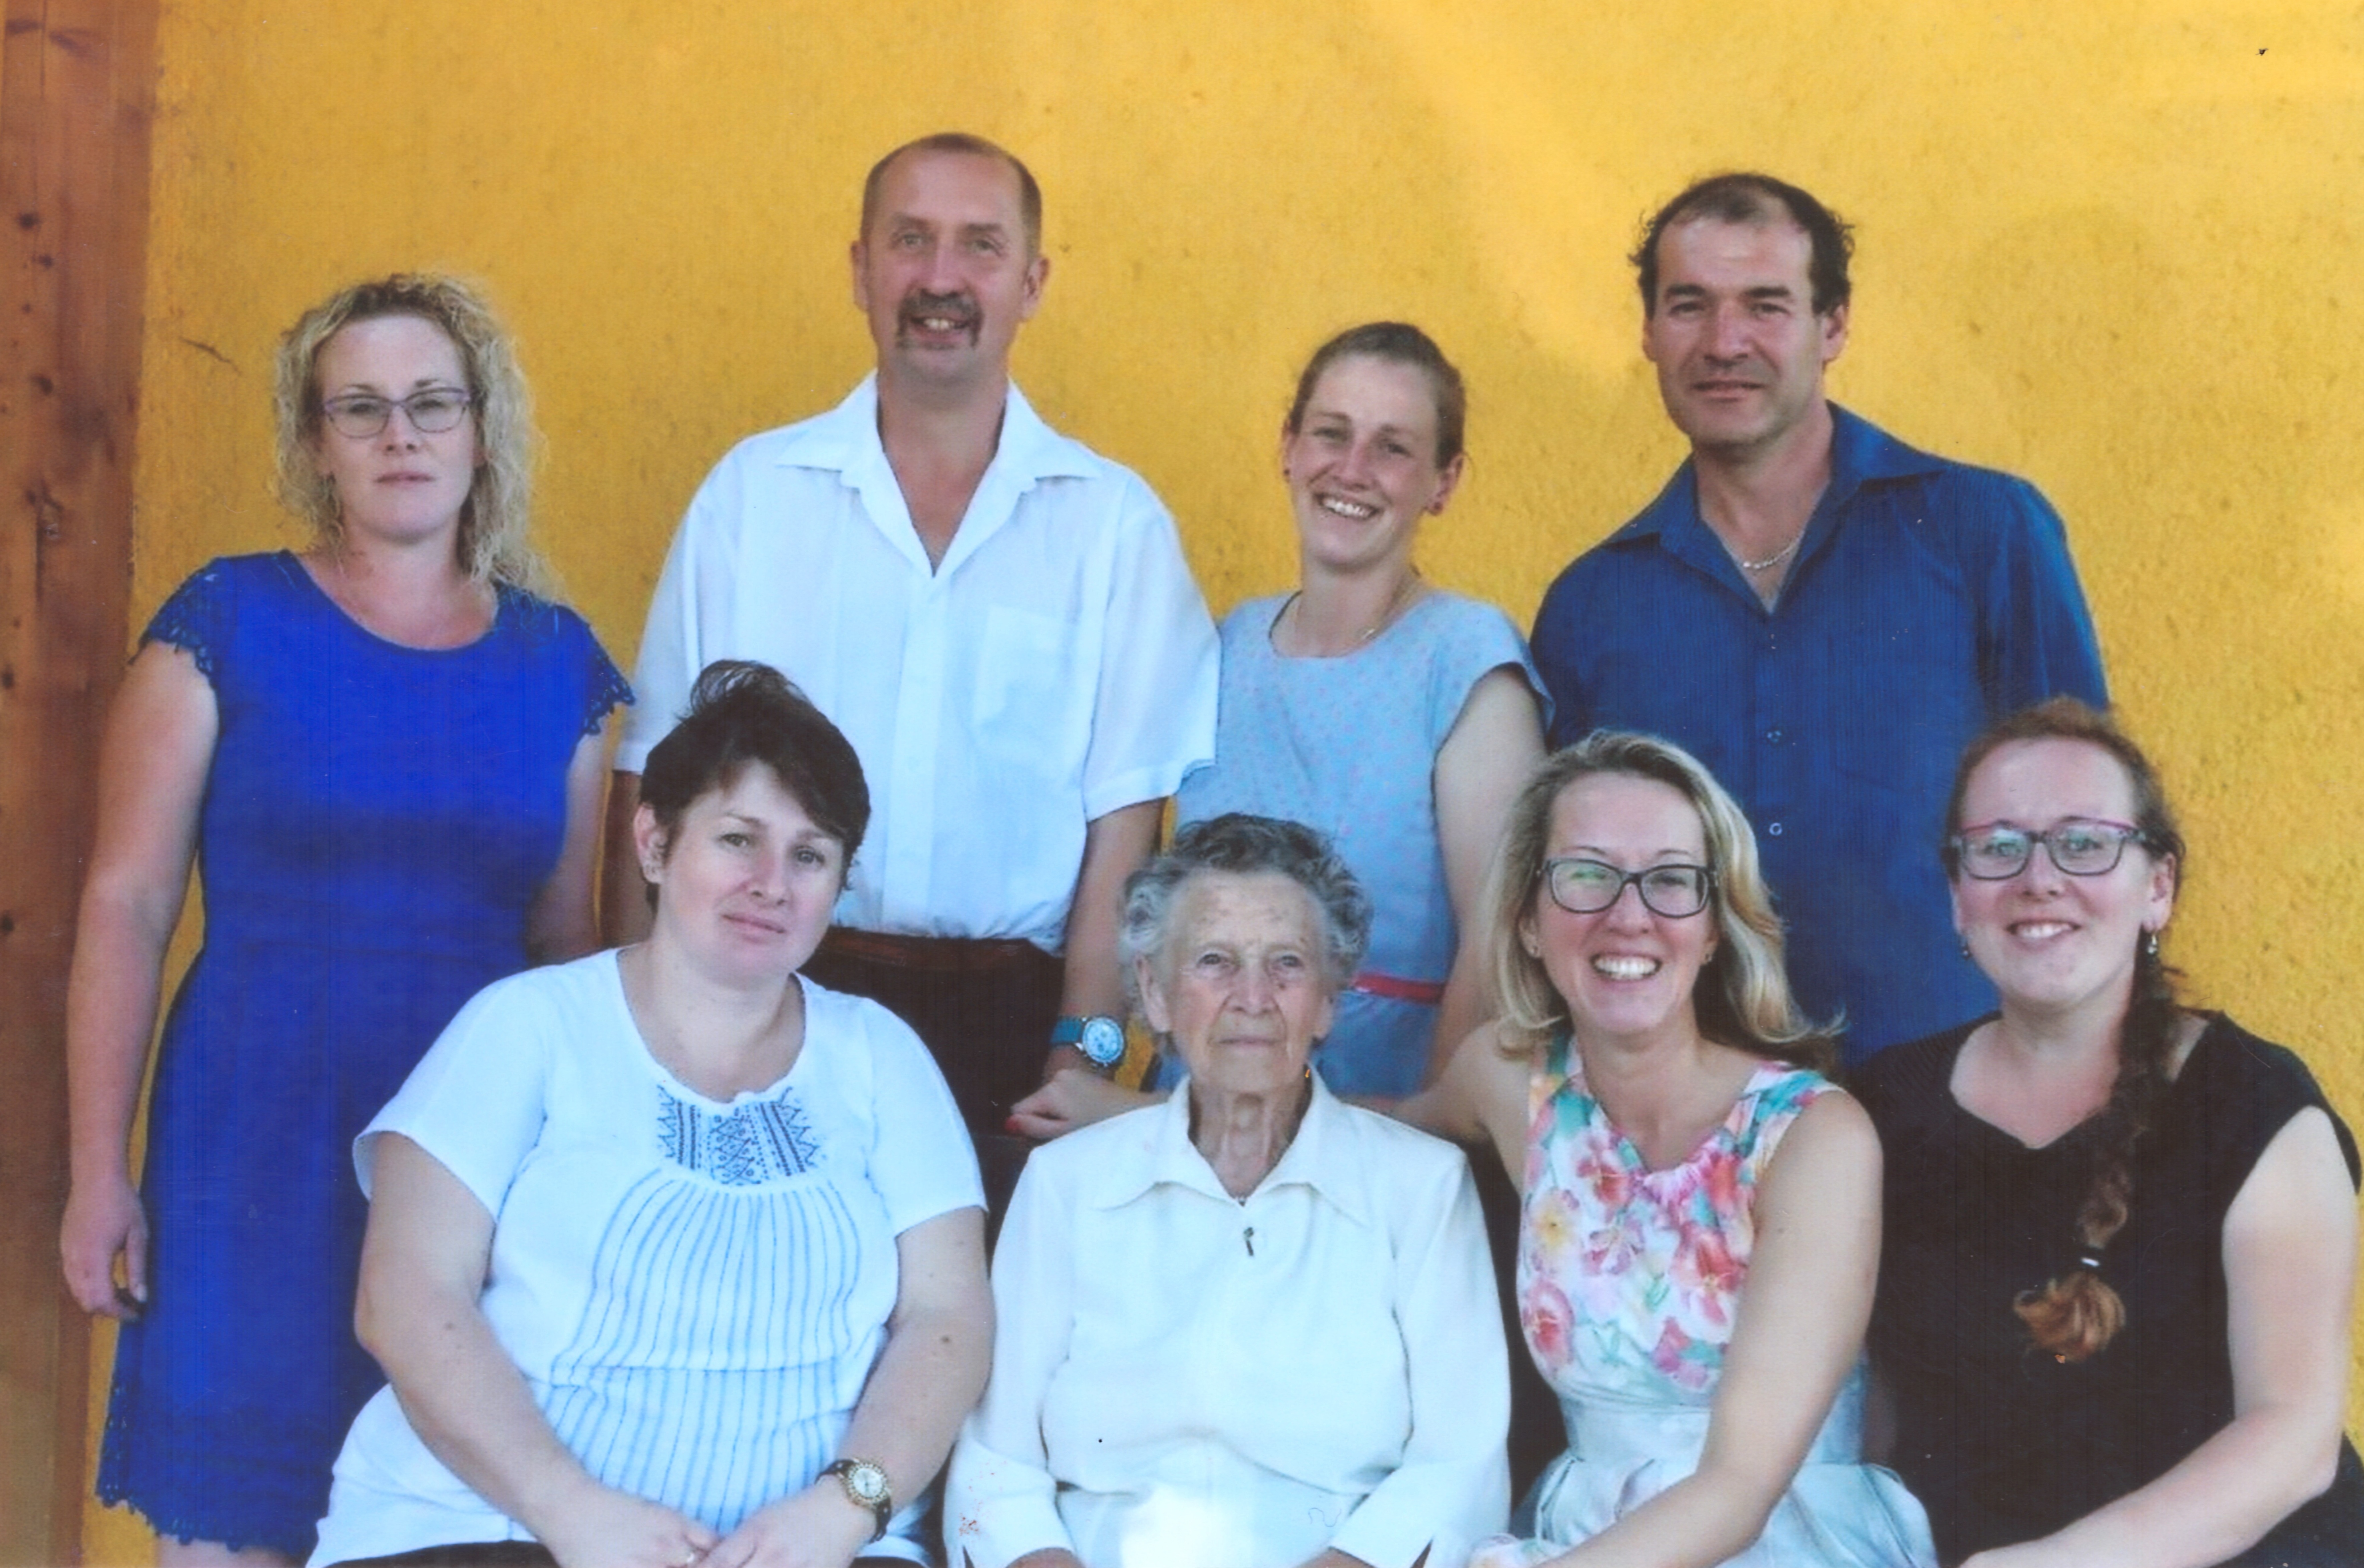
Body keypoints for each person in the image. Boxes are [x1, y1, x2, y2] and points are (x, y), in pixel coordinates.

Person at [58, 274, 628, 1566]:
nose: (399, 435)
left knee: (439, 1527)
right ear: (315, 442)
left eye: (432, 403)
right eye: (359, 408)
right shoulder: (225, 622)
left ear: (482, 429)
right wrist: (99, 1171)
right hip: (250, 1137)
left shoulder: (563, 668)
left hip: (471, 1154)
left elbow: (569, 954)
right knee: (235, 1527)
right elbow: (125, 903)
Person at [606, 132, 1218, 1208]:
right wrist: (637, 1036)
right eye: (910, 241)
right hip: (757, 1004)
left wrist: (1082, 1055)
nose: (942, 278)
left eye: (980, 246)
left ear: (1032, 283)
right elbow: (650, 781)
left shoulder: (1114, 528)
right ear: (860, 269)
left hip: (1012, 1039)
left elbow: (1124, 835)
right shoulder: (752, 499)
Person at [309, 662, 991, 1568]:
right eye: (738, 840)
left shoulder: (881, 1055)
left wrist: (842, 1511)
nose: (772, 884)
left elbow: (950, 1318)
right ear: (655, 843)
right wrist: (571, 1510)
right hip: (500, 1531)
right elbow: (405, 1295)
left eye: (810, 855)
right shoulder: (527, 1025)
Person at [1528, 173, 2108, 1066]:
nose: (1724, 343)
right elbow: (1567, 884)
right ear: (1648, 332)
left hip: (1971, 1102)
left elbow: (2091, 835)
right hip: (1690, 1116)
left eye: (1765, 306)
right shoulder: (1591, 604)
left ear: (1832, 326)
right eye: (1689, 306)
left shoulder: (1982, 533)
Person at [1405, 735, 1935, 1567]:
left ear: (1715, 925)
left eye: (1670, 880)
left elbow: (1740, 1490)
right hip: (1580, 1534)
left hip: (1780, 1541)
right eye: (1587, 875)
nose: (1629, 915)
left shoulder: (1810, 1136)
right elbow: (1368, 1134)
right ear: (1528, 922)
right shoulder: (1512, 1087)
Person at [1857, 697, 2364, 1567]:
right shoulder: (1882, 1108)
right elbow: (1868, 1412)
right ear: (1956, 896)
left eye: (2084, 843)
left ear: (2156, 888)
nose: (2038, 878)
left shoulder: (2252, 1104)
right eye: (1998, 847)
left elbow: (2293, 1435)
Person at [1012, 322, 1544, 1141]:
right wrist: (1087, 1060)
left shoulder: (1468, 662)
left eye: (1393, 448)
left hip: (1375, 1140)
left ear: (1444, 481)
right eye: (1331, 434)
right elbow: (1135, 901)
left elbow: (1497, 943)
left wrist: (1419, 1149)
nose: (1352, 469)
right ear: (1288, 448)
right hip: (1182, 1134)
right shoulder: (1222, 649)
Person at [948, 814, 1509, 1568]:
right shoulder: (1067, 1182)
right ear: (1154, 993)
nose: (1252, 996)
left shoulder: (1422, 1187)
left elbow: (1459, 1465)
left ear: (1329, 999)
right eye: (1214, 961)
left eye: (1287, 964)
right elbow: (996, 1462)